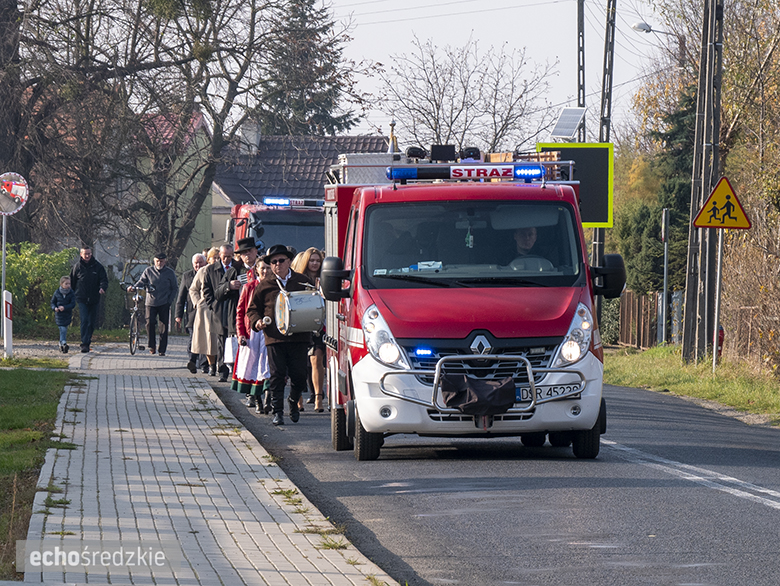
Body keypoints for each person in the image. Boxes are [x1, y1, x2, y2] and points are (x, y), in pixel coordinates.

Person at [246, 244, 314, 426]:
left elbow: (314, 303)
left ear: (289, 261)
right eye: (273, 262)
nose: (277, 265)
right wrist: (257, 321)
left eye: (281, 261)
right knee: (276, 375)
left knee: (299, 376)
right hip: (274, 337)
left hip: (298, 336)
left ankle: (293, 400)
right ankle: (277, 412)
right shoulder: (265, 285)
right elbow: (252, 310)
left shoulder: (302, 281)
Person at [232, 260, 271, 412]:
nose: (266, 271)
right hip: (252, 333)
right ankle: (258, 400)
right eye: (263, 268)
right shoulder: (249, 287)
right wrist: (241, 333)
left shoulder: (275, 287)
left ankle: (268, 398)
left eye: (268, 268)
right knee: (254, 367)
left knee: (267, 365)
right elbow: (240, 312)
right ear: (257, 269)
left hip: (269, 332)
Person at [291, 247, 326, 413]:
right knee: (300, 364)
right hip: (303, 324)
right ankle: (298, 400)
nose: (314, 263)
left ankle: (319, 398)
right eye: (312, 260)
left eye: (317, 261)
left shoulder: (325, 279)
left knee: (316, 360)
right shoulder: (299, 279)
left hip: (319, 325)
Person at [221, 237, 258, 384]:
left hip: (261, 317)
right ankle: (248, 388)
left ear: (256, 251)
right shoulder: (235, 270)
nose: (247, 255)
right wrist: (229, 286)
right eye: (243, 253)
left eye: (249, 251)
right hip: (241, 317)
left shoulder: (264, 267)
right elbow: (218, 291)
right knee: (245, 354)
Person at [203, 244, 239, 382]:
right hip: (218, 310)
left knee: (235, 340)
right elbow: (206, 289)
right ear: (220, 255)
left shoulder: (237, 268)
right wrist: (212, 305)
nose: (227, 259)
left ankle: (236, 372)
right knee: (221, 342)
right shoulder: (211, 269)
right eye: (224, 256)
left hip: (234, 309)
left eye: (230, 257)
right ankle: (222, 371)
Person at [131, 252, 178, 356]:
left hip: (164, 303)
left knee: (163, 327)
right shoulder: (148, 271)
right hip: (151, 302)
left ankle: (162, 349)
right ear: (154, 261)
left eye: (161, 261)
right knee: (150, 324)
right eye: (157, 261)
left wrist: (169, 301)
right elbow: (141, 282)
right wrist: (134, 287)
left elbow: (175, 288)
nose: (159, 263)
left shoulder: (170, 273)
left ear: (165, 261)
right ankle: (151, 346)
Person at [70, 246, 108, 353]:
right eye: (85, 254)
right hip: (81, 298)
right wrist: (71, 295)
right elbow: (72, 282)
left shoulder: (98, 267)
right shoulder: (77, 267)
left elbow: (104, 280)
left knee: (91, 322)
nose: (87, 256)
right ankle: (84, 343)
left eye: (89, 254)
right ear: (81, 254)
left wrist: (102, 288)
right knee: (84, 320)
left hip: (94, 298)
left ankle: (88, 339)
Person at [190, 247, 221, 374]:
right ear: (209, 259)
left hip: (221, 308)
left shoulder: (224, 271)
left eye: (219, 258)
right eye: (215, 258)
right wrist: (197, 303)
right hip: (205, 310)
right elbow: (193, 289)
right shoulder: (203, 271)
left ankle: (222, 364)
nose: (217, 260)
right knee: (208, 339)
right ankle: (211, 365)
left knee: (219, 339)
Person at [176, 253, 207, 373]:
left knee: (204, 338)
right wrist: (178, 315)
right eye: (196, 263)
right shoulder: (187, 276)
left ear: (205, 263)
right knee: (193, 338)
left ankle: (204, 365)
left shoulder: (208, 273)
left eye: (200, 262)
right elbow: (181, 296)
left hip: (205, 312)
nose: (198, 265)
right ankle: (192, 361)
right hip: (191, 314)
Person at [51, 276, 76, 353]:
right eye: (66, 283)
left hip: (67, 314)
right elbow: (52, 302)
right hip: (59, 315)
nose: (68, 285)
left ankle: (61, 344)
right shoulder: (57, 292)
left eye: (69, 283)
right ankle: (63, 342)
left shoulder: (71, 293)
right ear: (61, 284)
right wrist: (55, 308)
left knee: (64, 328)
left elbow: (72, 304)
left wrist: (64, 307)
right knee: (62, 329)